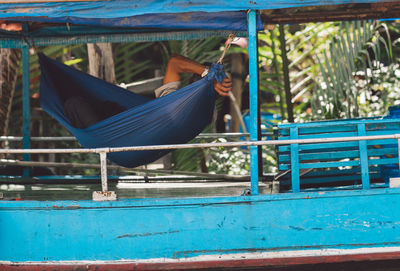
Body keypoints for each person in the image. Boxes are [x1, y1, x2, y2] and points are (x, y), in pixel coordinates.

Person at [64, 54, 232, 129]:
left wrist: (207, 75)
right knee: (90, 103)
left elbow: (174, 62)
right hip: (117, 118)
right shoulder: (206, 112)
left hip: (112, 129)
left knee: (73, 102)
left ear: (190, 82)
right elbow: (174, 62)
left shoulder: (183, 104)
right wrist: (211, 78)